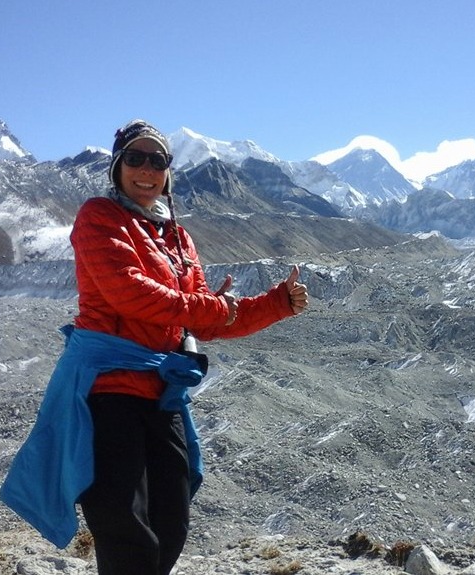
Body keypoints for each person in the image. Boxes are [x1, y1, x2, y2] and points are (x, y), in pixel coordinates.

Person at [69, 119, 308, 575]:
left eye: (156, 161)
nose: (146, 169)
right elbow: (129, 292)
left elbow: (205, 321)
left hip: (161, 393)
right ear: (117, 166)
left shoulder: (177, 237)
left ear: (168, 172)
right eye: (135, 159)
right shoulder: (99, 217)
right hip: (109, 387)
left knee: (171, 521)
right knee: (122, 517)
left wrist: (278, 303)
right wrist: (212, 307)